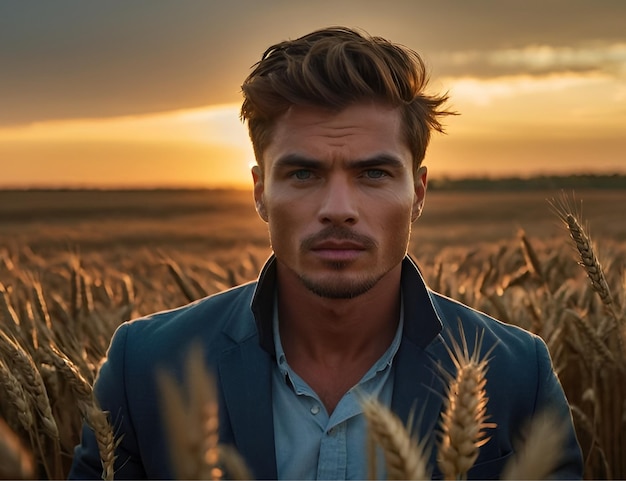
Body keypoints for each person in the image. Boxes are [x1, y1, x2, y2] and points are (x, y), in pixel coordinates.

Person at [69, 27, 583, 480]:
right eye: (304, 173)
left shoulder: (518, 373)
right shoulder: (146, 366)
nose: (339, 209)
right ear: (259, 192)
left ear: (419, 193)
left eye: (373, 174)